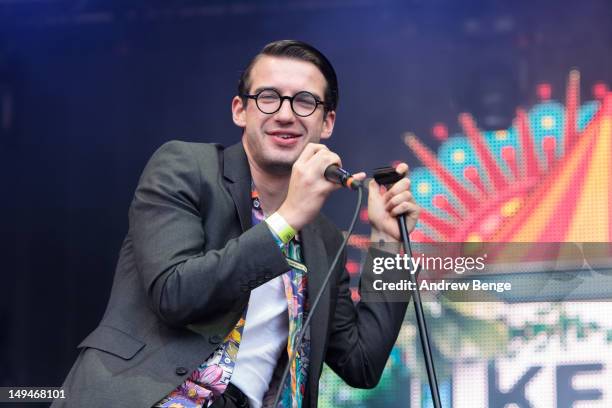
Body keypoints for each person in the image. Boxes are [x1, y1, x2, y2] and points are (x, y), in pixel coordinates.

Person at [53, 40, 420, 408]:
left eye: (305, 101)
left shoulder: (322, 239)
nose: (285, 114)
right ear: (239, 110)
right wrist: (286, 220)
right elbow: (174, 294)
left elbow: (361, 364)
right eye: (268, 97)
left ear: (327, 123)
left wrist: (387, 242)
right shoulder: (184, 168)